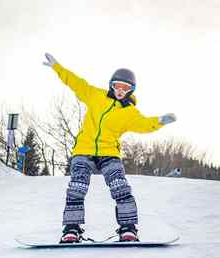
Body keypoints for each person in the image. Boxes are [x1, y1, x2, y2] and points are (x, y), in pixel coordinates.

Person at [43, 53, 176, 243]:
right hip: (83, 151)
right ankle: (71, 229)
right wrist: (58, 67)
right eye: (117, 86)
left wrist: (160, 121)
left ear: (131, 90)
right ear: (111, 85)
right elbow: (75, 82)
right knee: (76, 188)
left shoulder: (129, 112)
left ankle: (128, 228)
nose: (120, 90)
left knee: (120, 187)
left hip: (109, 154)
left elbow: (145, 124)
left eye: (125, 88)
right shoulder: (95, 95)